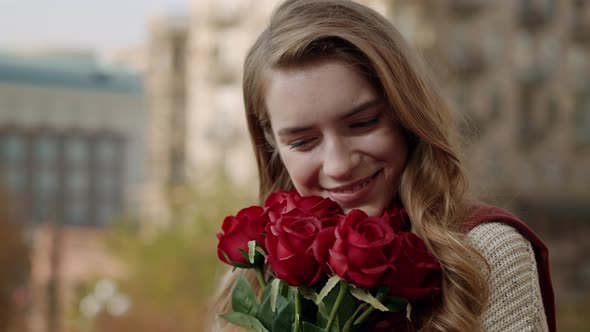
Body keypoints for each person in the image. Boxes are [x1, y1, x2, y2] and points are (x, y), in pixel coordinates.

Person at [207, 0, 555, 331]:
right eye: (303, 142)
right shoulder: (253, 279)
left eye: (363, 123)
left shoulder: (486, 254)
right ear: (274, 147)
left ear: (407, 115)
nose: (339, 165)